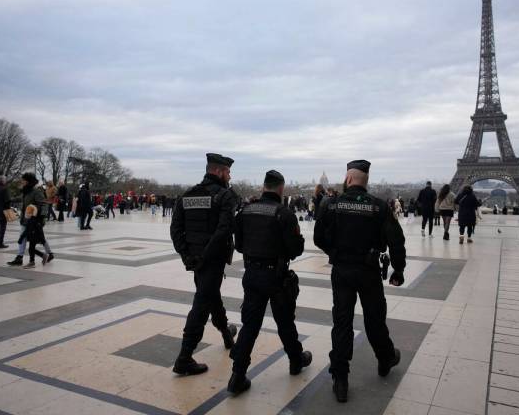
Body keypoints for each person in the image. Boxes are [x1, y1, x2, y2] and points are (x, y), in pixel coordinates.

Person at [314, 160, 406, 403]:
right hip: (368, 271)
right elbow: (396, 240)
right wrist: (398, 269)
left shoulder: (331, 204)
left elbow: (318, 237)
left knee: (342, 322)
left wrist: (335, 253)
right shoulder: (378, 207)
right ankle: (385, 358)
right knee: (375, 319)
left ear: (349, 179)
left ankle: (341, 379)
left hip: (342, 270)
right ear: (365, 180)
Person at [227, 170, 312, 394]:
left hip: (252, 274)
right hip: (276, 276)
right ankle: (296, 360)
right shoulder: (284, 214)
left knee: (250, 325)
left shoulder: (245, 211)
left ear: (264, 187)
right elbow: (296, 249)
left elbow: (239, 245)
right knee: (284, 322)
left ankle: (237, 375)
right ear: (281, 188)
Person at [170, 153, 240, 376]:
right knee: (201, 303)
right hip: (211, 260)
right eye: (228, 172)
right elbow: (223, 231)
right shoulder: (225, 196)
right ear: (219, 171)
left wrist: (187, 256)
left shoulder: (187, 195)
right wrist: (205, 258)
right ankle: (184, 356)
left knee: (210, 296)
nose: (229, 176)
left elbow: (175, 230)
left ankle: (227, 336)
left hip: (196, 259)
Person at [8, 173, 54, 266]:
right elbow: (21, 200)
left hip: (34, 220)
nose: (22, 182)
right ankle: (20, 257)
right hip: (25, 219)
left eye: (23, 180)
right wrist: (9, 200)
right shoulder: (26, 191)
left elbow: (44, 204)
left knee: (39, 237)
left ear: (28, 181)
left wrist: (42, 218)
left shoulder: (36, 191)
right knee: (25, 237)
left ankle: (48, 254)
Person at [17, 204, 51, 268]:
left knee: (31, 249)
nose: (26, 214)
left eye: (27, 213)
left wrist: (42, 240)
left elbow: (40, 231)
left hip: (35, 238)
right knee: (31, 249)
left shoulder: (34, 221)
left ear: (31, 213)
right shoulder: (30, 220)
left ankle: (33, 261)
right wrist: (21, 238)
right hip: (32, 237)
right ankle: (42, 256)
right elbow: (26, 231)